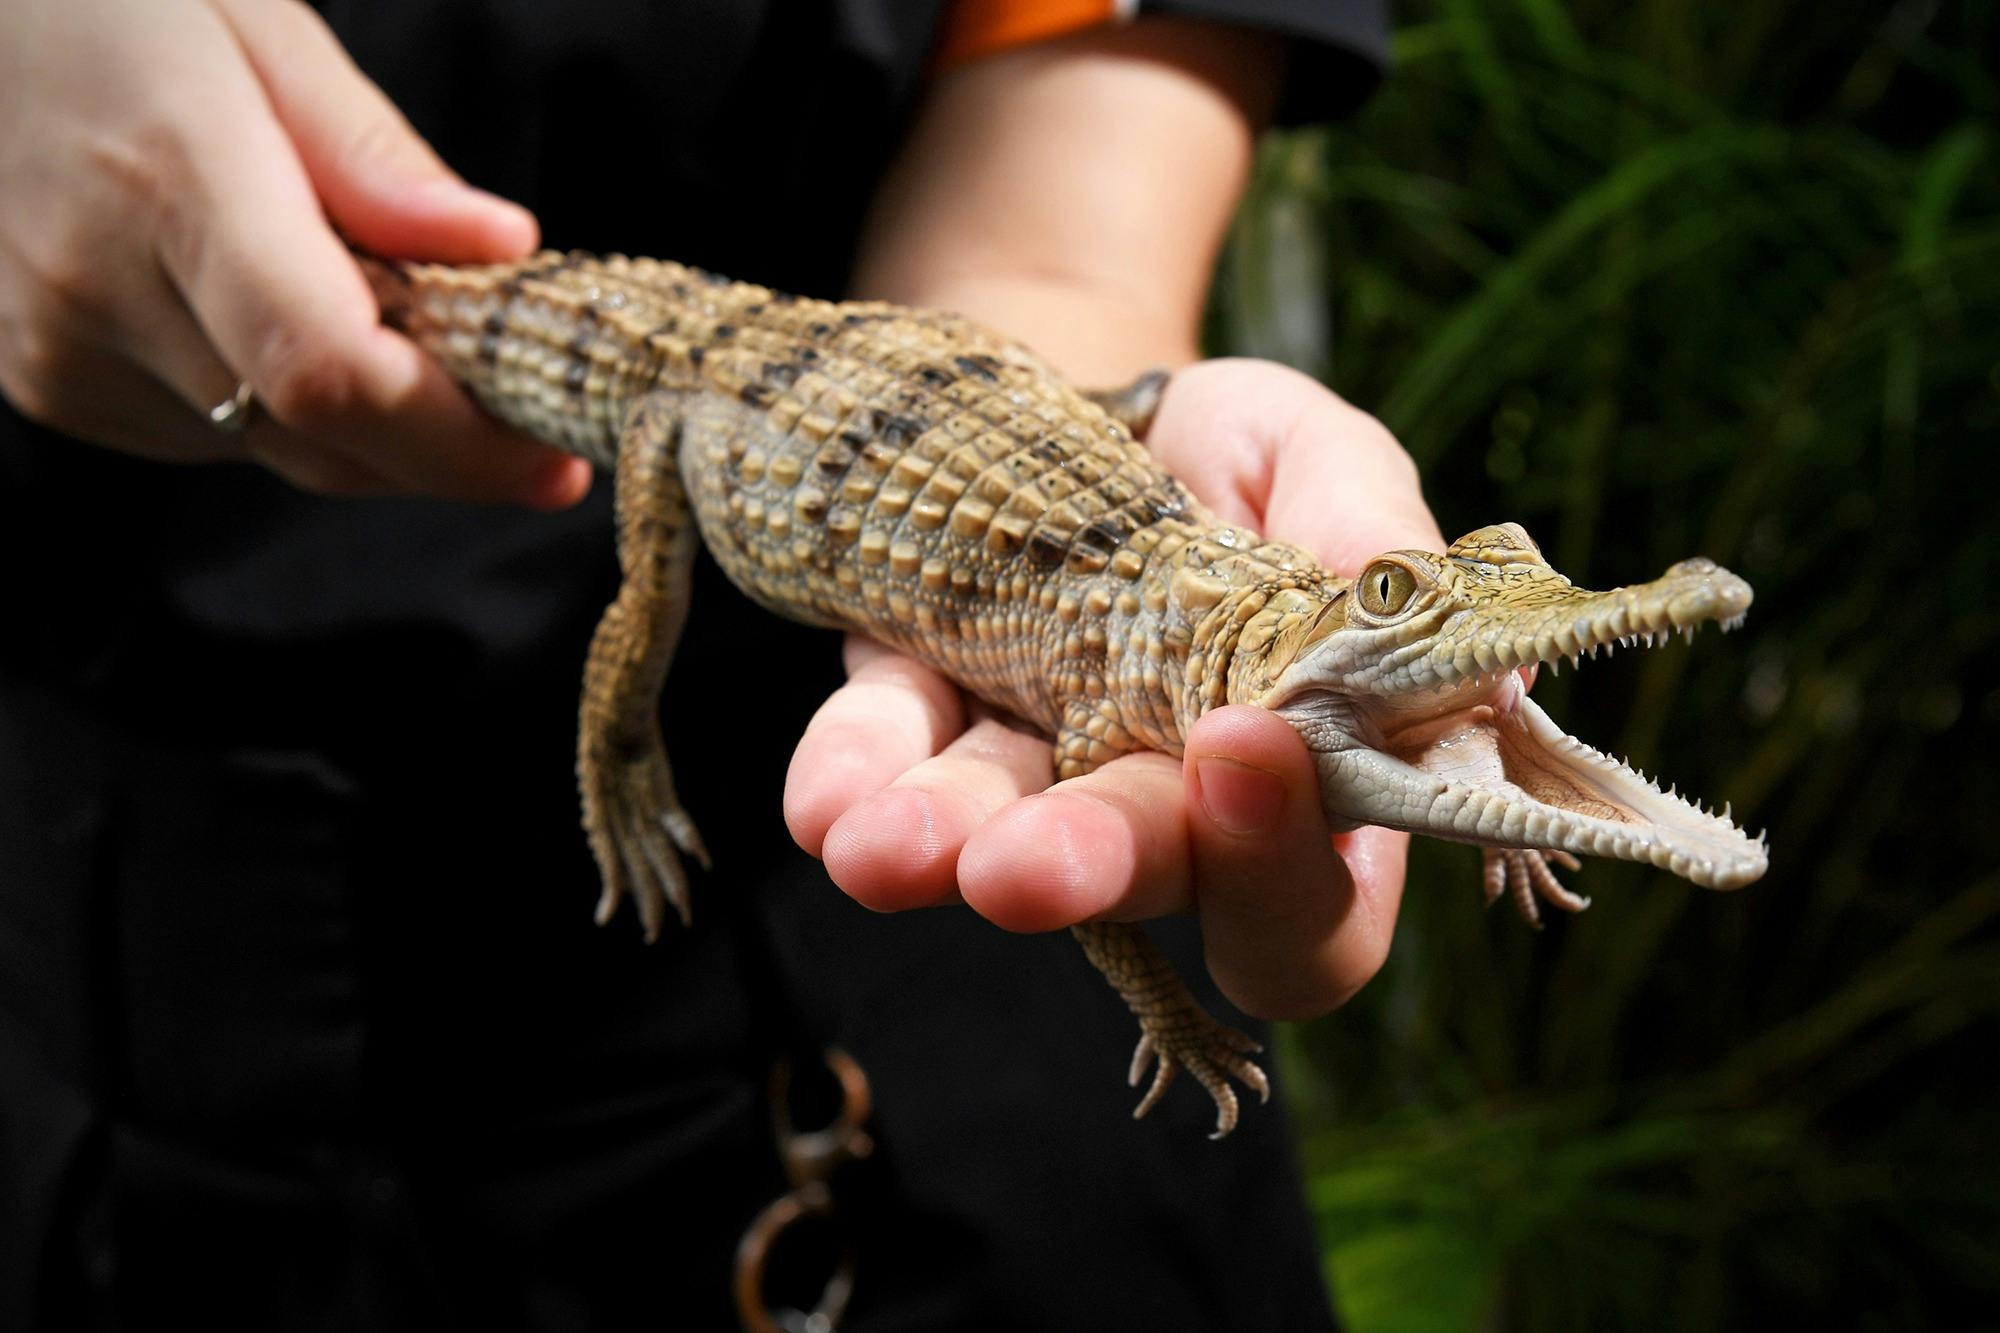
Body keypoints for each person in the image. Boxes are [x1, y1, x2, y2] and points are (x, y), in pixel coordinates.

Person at [0, 0, 1442, 1327]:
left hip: (886, 981)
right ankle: (614, 754)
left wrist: (1103, 396)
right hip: (121, 972)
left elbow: (1046, 264)